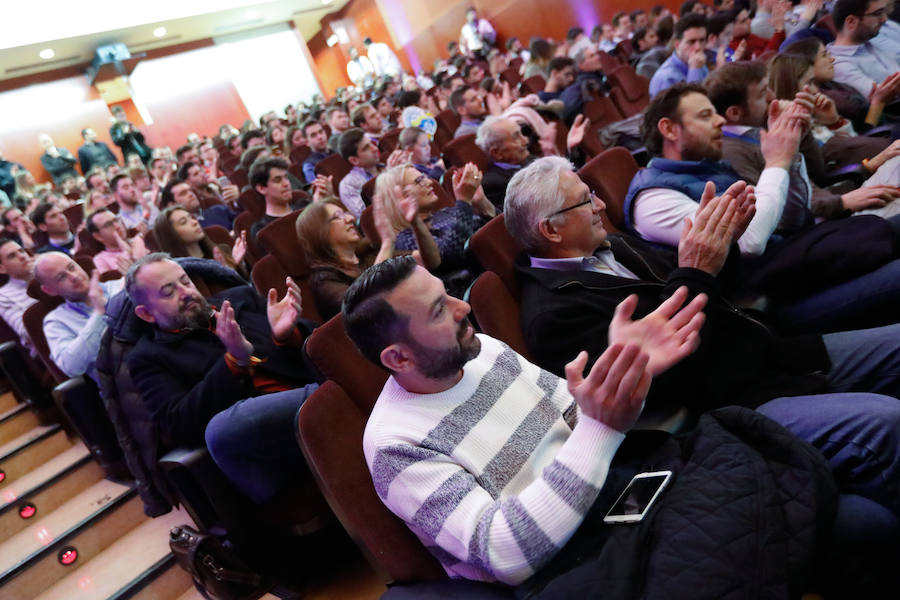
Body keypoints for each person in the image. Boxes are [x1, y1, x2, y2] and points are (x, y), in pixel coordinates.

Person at [343, 255, 899, 592]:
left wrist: (624, 369)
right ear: (397, 358)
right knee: (858, 526)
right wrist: (603, 428)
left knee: (853, 518)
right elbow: (505, 555)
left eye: (449, 296)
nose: (464, 310)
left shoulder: (480, 348)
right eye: (440, 311)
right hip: (583, 560)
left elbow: (576, 416)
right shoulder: (396, 446)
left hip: (625, 495)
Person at [124, 253, 318, 503]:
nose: (186, 293)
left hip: (304, 394)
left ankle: (330, 397)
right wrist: (234, 361)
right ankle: (335, 394)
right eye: (168, 292)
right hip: (265, 442)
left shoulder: (240, 299)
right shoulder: (148, 357)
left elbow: (320, 344)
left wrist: (287, 336)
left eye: (186, 281)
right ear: (146, 314)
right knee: (221, 429)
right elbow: (179, 424)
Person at [376, 163, 490, 271]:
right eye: (419, 181)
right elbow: (449, 258)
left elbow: (500, 228)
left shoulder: (445, 212)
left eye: (424, 177)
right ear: (399, 197)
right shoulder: (404, 239)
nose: (429, 182)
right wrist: (464, 201)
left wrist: (482, 202)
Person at [35, 252, 123, 380]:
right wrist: (99, 313)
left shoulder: (119, 286)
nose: (74, 277)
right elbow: (71, 368)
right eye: (61, 277)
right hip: (125, 386)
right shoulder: (56, 322)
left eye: (72, 267)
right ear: (49, 290)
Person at [828, 0, 900, 98]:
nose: (884, 19)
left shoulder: (868, 41)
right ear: (851, 22)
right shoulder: (840, 64)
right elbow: (879, 95)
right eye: (877, 14)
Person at [152, 206, 247, 277]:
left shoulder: (222, 251)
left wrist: (239, 265)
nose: (194, 222)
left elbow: (248, 288)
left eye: (192, 217)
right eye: (183, 222)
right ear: (171, 235)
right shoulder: (180, 274)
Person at [248, 156, 308, 242]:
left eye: (286, 177)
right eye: (277, 180)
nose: (286, 183)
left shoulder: (304, 205)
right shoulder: (262, 230)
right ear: (261, 188)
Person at [649, 13, 710, 97]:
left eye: (702, 40)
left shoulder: (700, 65)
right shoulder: (666, 78)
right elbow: (693, 108)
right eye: (691, 42)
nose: (698, 47)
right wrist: (694, 70)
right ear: (677, 45)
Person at [0, 239, 38, 352]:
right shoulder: (3, 296)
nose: (22, 256)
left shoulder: (47, 272)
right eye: (12, 256)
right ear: (2, 268)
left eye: (21, 251)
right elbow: (28, 333)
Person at [338, 129, 384, 218]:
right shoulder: (348, 185)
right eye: (366, 148)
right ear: (354, 160)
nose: (375, 148)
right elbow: (367, 216)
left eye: (371, 143)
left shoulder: (385, 166)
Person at [88, 209, 149, 275]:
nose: (117, 226)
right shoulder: (100, 259)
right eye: (108, 225)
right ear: (98, 236)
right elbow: (113, 283)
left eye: (116, 220)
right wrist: (127, 252)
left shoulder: (140, 239)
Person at [159, 179, 236, 230]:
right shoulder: (182, 232)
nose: (191, 194)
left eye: (190, 190)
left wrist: (237, 199)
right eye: (183, 193)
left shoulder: (218, 210)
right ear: (172, 205)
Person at [300, 119, 333, 183]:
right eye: (313, 135)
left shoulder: (336, 153)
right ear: (307, 142)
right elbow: (315, 187)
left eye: (321, 132)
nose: (320, 137)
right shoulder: (309, 165)